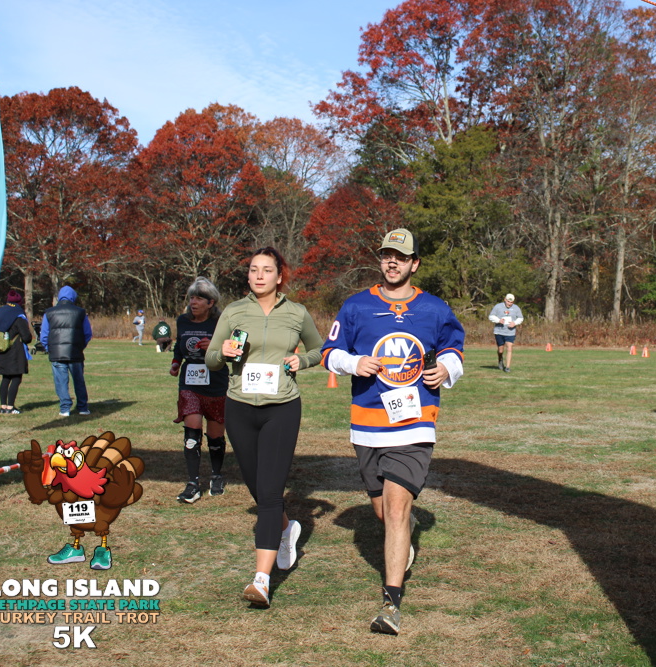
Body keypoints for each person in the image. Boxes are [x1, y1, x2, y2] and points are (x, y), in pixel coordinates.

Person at [321, 228, 465, 635]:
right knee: (385, 512)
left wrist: (446, 368)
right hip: (368, 424)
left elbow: (454, 347)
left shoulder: (435, 308)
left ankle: (391, 604)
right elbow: (330, 353)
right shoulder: (356, 306)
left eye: (401, 257)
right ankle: (408, 530)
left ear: (414, 263)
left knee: (397, 509)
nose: (392, 262)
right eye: (387, 255)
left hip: (415, 422)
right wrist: (354, 363)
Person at [205, 247, 323, 608]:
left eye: (267, 270)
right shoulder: (234, 311)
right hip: (240, 407)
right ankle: (286, 529)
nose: (259, 275)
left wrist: (300, 361)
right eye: (254, 269)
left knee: (270, 493)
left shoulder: (296, 313)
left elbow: (319, 349)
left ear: (279, 276)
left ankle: (261, 580)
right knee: (258, 487)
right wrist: (223, 353)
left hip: (282, 408)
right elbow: (210, 359)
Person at [170, 279, 229, 503]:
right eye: (191, 298)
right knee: (192, 431)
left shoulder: (221, 322)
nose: (193, 302)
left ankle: (216, 475)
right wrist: (176, 363)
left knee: (215, 435)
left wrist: (214, 347)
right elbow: (179, 346)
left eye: (198, 299)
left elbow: (233, 349)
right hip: (190, 383)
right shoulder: (183, 321)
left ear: (210, 302)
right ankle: (193, 483)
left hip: (216, 382)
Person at [40, 286, 93, 417]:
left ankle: (65, 408)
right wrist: (80, 346)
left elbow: (44, 335)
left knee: (61, 382)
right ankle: (82, 407)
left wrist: (49, 349)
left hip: (57, 353)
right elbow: (87, 333)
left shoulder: (49, 313)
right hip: (75, 352)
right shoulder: (80, 312)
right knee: (79, 381)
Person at [0, 289, 33, 414]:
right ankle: (10, 407)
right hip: (15, 353)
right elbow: (26, 337)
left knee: (5, 378)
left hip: (1, 350)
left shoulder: (0, 313)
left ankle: (3, 407)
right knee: (16, 378)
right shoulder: (19, 316)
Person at [488, 293, 523, 373]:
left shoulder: (516, 308)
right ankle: (500, 359)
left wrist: (514, 323)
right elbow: (491, 316)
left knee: (509, 347)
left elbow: (520, 318)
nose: (509, 304)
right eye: (508, 301)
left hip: (510, 332)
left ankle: (507, 367)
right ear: (505, 300)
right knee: (500, 350)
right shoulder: (498, 306)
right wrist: (498, 320)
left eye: (511, 302)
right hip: (499, 331)